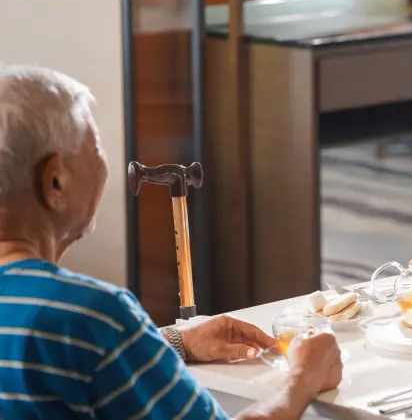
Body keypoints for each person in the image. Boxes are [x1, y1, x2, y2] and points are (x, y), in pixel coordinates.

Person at [0, 64, 342, 419]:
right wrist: (304, 377)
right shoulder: (92, 317)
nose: (104, 167)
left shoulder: (86, 332)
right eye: (97, 150)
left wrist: (175, 343)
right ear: (56, 182)